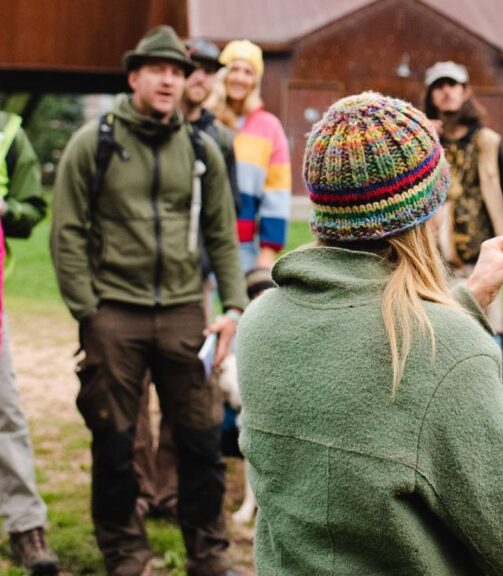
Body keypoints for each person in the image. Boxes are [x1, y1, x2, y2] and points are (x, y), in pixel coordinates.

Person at [236, 91, 503, 575]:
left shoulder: (261, 322)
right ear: (428, 210)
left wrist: (469, 293)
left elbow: (360, 339)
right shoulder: (451, 351)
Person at [49, 26, 246, 576]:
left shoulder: (201, 147)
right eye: (157, 70)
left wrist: (232, 306)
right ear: (134, 77)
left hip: (186, 312)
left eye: (177, 72)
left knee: (201, 441)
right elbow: (66, 230)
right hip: (113, 313)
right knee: (113, 441)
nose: (168, 80)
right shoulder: (96, 141)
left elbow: (222, 235)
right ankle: (126, 555)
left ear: (185, 82)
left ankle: (209, 555)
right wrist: (88, 310)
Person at [132, 36, 242, 523]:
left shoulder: (217, 139)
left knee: (187, 387)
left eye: (205, 69)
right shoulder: (143, 131)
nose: (197, 76)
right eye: (190, 66)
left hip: (193, 285)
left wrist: (227, 291)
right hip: (137, 285)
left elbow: (226, 218)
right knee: (134, 392)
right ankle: (140, 487)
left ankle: (172, 487)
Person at [0, 110, 59, 573]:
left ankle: (25, 527)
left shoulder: (7, 133)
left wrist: (5, 210)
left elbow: (32, 208)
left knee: (6, 413)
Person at [422, 61, 503, 329]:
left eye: (452, 85)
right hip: (437, 266)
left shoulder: (487, 141)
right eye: (438, 86)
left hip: (481, 261)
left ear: (465, 92)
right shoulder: (424, 141)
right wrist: (423, 135)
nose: (446, 91)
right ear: (430, 96)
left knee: (489, 335)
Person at [208, 39, 290, 281]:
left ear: (255, 81)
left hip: (244, 246)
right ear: (223, 75)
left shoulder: (269, 127)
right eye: (234, 69)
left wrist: (267, 251)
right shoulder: (205, 119)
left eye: (248, 72)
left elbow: (277, 190)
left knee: (242, 316)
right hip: (201, 240)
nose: (239, 78)